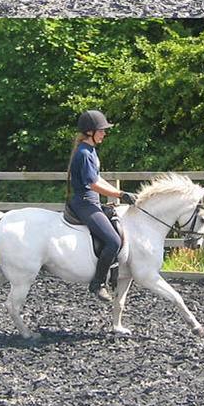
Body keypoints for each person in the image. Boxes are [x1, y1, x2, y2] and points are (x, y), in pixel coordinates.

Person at [67, 108, 136, 293]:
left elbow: (98, 178)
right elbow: (93, 184)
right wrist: (120, 195)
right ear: (90, 131)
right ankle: (98, 283)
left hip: (91, 201)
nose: (104, 133)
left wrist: (120, 193)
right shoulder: (84, 153)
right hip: (84, 203)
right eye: (101, 130)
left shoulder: (90, 150)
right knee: (113, 241)